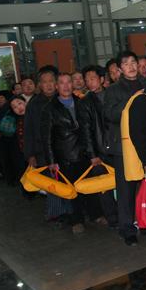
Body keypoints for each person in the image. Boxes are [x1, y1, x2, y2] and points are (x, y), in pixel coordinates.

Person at [41, 73, 103, 234]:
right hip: (65, 155)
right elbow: (46, 137)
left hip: (85, 153)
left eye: (69, 82)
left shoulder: (82, 102)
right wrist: (51, 160)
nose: (66, 86)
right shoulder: (50, 108)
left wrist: (93, 153)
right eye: (62, 83)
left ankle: (96, 214)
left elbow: (89, 129)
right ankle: (77, 220)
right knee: (71, 190)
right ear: (56, 86)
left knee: (91, 187)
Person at [103, 52, 146, 246]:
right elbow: (110, 114)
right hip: (123, 146)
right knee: (126, 188)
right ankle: (127, 228)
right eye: (126, 64)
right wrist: (132, 100)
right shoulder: (114, 90)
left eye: (133, 62)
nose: (131, 66)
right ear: (119, 69)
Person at [24, 66, 72, 221]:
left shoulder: (63, 99)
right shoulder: (34, 103)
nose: (49, 85)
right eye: (45, 82)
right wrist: (30, 154)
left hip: (64, 149)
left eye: (51, 81)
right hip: (42, 151)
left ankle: (71, 212)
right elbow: (28, 129)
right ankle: (56, 214)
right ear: (40, 85)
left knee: (66, 181)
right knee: (51, 184)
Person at [77, 65, 116, 227]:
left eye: (93, 78)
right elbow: (85, 131)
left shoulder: (113, 95)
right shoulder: (85, 102)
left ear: (101, 79)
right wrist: (92, 154)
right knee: (105, 187)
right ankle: (113, 219)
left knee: (122, 184)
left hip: (117, 147)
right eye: (87, 80)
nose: (89, 82)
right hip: (100, 151)